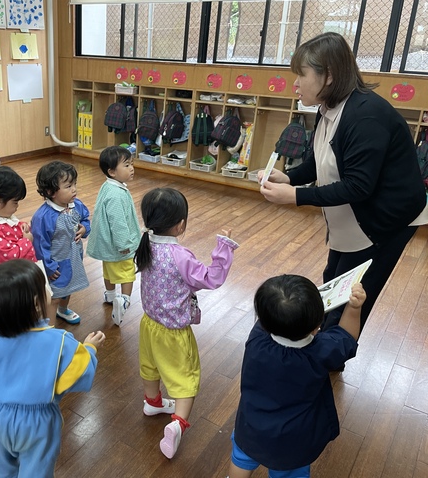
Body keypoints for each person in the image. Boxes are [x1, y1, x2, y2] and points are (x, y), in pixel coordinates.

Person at [259, 32, 427, 335]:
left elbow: (359, 186)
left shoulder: (366, 116)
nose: (295, 83)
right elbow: (320, 160)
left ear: (329, 76)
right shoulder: (327, 108)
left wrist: (295, 195)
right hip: (353, 218)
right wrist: (289, 177)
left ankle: (332, 353)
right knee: (333, 282)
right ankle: (324, 343)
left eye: (301, 74)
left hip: (384, 222)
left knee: (350, 298)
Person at [134, 187, 239, 459]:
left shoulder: (145, 244)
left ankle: (153, 402)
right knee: (185, 378)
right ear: (180, 225)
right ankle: (178, 424)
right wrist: (224, 247)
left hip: (149, 324)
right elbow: (211, 278)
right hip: (174, 332)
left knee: (150, 366)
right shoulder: (179, 256)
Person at [0, 259, 105, 477]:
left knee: (2, 464)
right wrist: (90, 349)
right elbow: (82, 372)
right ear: (37, 304)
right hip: (36, 423)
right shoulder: (60, 342)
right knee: (36, 470)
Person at [228, 276, 365, 478]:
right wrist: (354, 308)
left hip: (250, 426)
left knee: (241, 459)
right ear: (317, 326)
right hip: (291, 441)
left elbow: (271, 314)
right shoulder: (321, 351)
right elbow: (346, 336)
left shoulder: (257, 337)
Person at [31, 160, 91, 324]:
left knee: (68, 287)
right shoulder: (43, 216)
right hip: (56, 264)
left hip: (74, 257)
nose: (74, 189)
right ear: (51, 192)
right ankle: (49, 327)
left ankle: (63, 310)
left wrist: (84, 229)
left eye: (74, 184)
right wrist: (49, 267)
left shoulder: (76, 205)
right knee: (55, 295)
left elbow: (85, 219)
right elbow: (40, 245)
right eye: (68, 186)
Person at [87, 146, 140, 326]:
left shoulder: (108, 186)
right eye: (126, 165)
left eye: (131, 164)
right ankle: (124, 301)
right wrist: (124, 244)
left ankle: (110, 296)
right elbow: (118, 223)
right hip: (119, 245)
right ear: (112, 171)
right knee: (127, 273)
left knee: (108, 269)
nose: (132, 168)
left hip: (107, 243)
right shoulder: (116, 195)